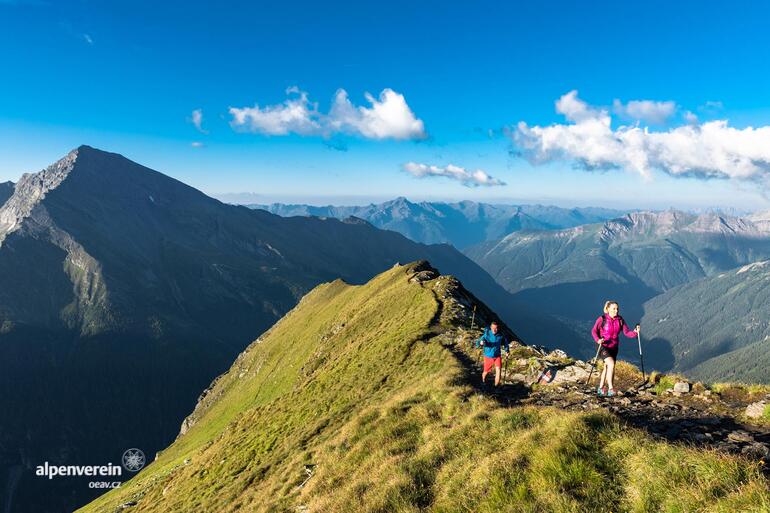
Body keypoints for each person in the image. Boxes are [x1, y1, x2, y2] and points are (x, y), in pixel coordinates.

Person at [591, 300, 640, 396]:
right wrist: (598, 340)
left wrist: (635, 332)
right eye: (614, 309)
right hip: (603, 345)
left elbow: (627, 333)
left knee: (607, 367)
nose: (616, 311)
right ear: (608, 309)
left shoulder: (620, 320)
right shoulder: (602, 319)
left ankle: (600, 388)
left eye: (617, 309)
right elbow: (593, 331)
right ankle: (611, 388)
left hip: (614, 347)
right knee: (611, 363)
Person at [476, 321, 509, 386]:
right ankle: (483, 381)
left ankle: (496, 387)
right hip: (488, 356)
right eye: (493, 328)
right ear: (491, 328)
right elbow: (478, 342)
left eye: (496, 328)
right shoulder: (487, 334)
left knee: (498, 371)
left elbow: (505, 343)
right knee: (486, 371)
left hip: (497, 356)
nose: (494, 330)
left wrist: (507, 350)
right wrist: (480, 343)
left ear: (498, 328)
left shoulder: (500, 335)